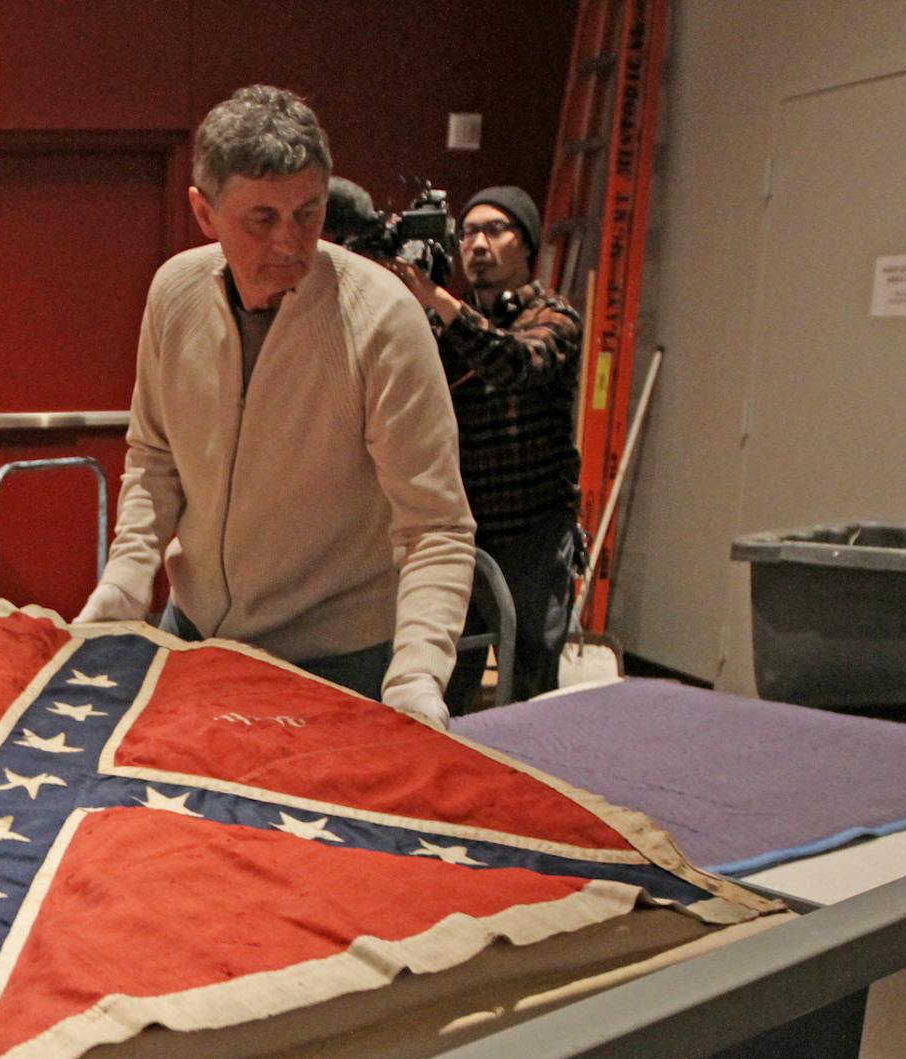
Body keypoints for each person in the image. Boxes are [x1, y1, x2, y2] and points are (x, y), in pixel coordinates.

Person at [75, 86, 474, 727]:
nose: (290, 242)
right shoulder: (173, 294)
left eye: (308, 213)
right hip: (193, 635)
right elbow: (155, 456)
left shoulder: (384, 320)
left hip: (339, 660)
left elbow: (437, 528)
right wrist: (126, 578)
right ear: (204, 213)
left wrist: (418, 673)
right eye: (262, 219)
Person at [394, 184, 583, 711]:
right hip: (461, 528)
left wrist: (437, 299)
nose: (478, 243)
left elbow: (515, 366)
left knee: (528, 679)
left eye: (495, 230)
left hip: (534, 530)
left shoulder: (555, 317)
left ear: (525, 245)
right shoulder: (443, 325)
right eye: (470, 231)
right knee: (448, 675)